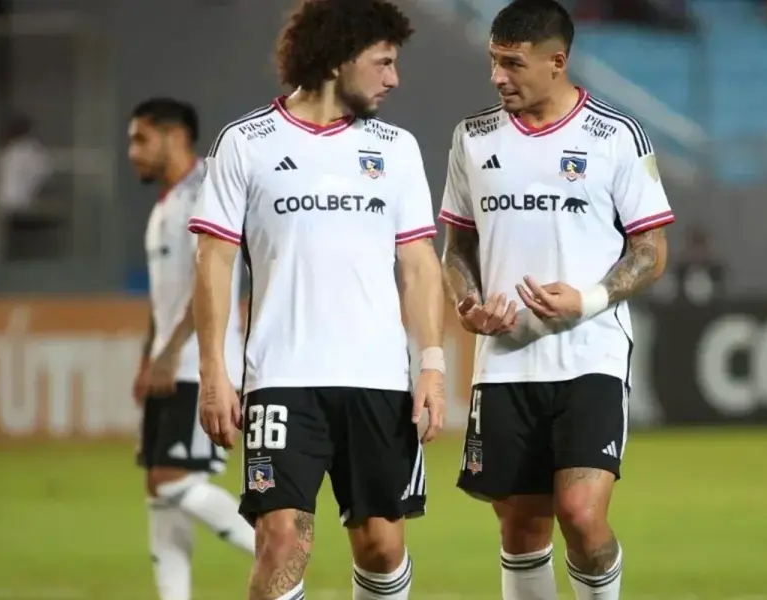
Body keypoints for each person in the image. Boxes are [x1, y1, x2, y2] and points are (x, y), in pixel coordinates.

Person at [188, 2, 446, 599]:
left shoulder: (397, 148)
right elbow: (215, 262)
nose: (393, 78)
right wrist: (213, 373)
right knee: (282, 542)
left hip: (378, 380)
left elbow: (418, 264)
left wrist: (430, 365)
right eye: (383, 62)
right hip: (282, 378)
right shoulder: (246, 143)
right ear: (339, 58)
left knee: (381, 548)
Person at [438, 2, 674, 600]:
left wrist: (589, 299)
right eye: (494, 61)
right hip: (505, 360)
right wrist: (468, 305)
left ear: (557, 61)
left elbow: (650, 250)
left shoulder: (617, 136)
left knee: (580, 513)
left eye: (512, 64)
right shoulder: (472, 137)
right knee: (519, 527)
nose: (497, 77)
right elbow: (456, 249)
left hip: (588, 352)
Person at [126, 97, 255, 600]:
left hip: (200, 366)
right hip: (169, 363)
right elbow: (167, 297)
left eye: (141, 138)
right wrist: (149, 354)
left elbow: (210, 284)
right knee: (159, 494)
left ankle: (277, 550)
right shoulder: (165, 204)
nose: (132, 151)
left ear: (175, 136)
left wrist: (168, 351)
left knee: (173, 481)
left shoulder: (206, 191)